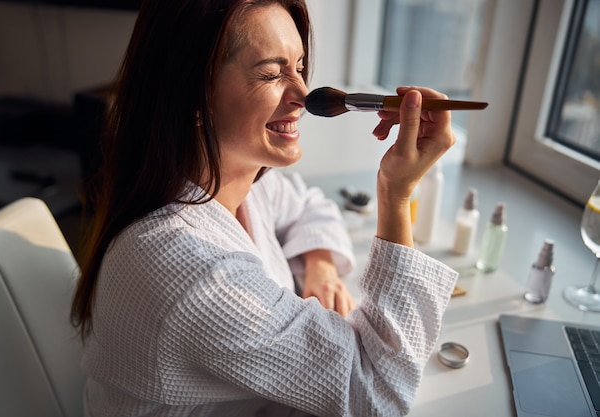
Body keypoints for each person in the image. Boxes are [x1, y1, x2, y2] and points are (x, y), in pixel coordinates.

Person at [70, 0, 458, 416]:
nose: (302, 95)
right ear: (192, 98)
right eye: (272, 74)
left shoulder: (237, 184)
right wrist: (395, 194)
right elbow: (378, 394)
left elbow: (308, 205)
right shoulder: (189, 270)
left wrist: (320, 263)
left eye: (299, 66)